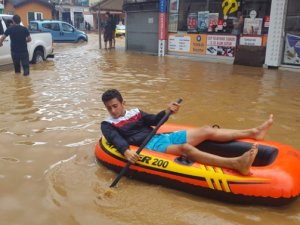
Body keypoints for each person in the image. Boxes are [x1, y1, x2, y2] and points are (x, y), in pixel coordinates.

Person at [101, 89, 273, 176]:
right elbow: (115, 139)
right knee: (186, 149)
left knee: (206, 129)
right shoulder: (107, 124)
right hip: (149, 145)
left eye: (115, 106)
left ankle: (254, 132)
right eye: (109, 108)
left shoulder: (136, 112)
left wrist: (167, 111)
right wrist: (126, 151)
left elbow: (154, 120)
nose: (113, 111)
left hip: (160, 136)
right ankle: (236, 164)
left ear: (123, 102)